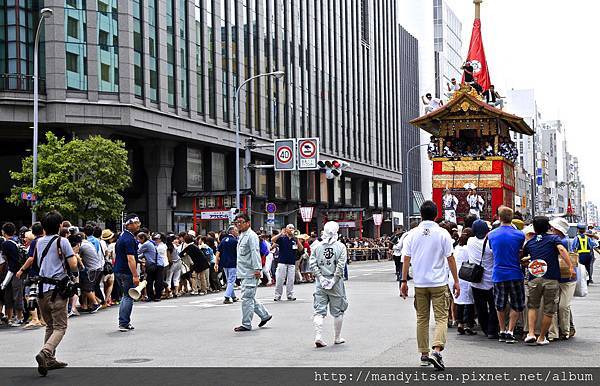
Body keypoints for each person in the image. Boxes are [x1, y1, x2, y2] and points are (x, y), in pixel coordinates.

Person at [400, 200, 460, 371]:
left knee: (422, 319)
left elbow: (406, 258)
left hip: (419, 283)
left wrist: (403, 281)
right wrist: (456, 281)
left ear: (421, 214)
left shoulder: (412, 234)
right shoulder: (442, 234)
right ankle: (437, 350)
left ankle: (424, 355)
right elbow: (450, 258)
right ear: (436, 215)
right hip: (439, 282)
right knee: (441, 317)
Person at [32, 210, 78, 376]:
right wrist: (75, 258)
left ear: (43, 227)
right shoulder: (62, 241)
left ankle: (49, 359)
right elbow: (73, 265)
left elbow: (37, 263)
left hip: (41, 290)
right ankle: (46, 352)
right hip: (57, 290)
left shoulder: (38, 242)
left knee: (50, 326)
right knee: (60, 327)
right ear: (60, 226)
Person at [523, 217, 575, 346]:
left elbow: (524, 257)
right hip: (551, 278)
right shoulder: (554, 239)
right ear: (548, 227)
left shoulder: (530, 242)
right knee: (549, 309)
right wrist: (570, 266)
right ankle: (541, 337)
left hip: (534, 278)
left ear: (534, 228)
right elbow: (562, 250)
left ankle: (530, 333)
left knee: (532, 306)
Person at [487, 206, 525, 344]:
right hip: (515, 272)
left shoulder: (491, 234)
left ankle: (502, 330)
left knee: (500, 304)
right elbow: (520, 250)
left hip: (498, 273)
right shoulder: (520, 235)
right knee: (516, 304)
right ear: (512, 218)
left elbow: (492, 249)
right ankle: (510, 331)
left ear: (499, 217)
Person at [309, 221, 349, 347]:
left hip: (320, 283)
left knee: (319, 310)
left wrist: (320, 277)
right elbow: (341, 265)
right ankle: (337, 337)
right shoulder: (340, 247)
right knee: (338, 310)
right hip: (335, 283)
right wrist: (334, 279)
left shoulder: (316, 246)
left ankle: (318, 336)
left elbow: (312, 264)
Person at [232, 213, 272, 332]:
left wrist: (257, 269)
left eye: (241, 222)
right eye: (237, 222)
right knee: (249, 297)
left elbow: (255, 253)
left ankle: (246, 323)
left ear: (248, 223)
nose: (238, 224)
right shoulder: (242, 235)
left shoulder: (251, 236)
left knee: (246, 298)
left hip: (250, 271)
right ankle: (264, 315)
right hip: (244, 271)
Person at [466, 220, 498, 339]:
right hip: (491, 280)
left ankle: (485, 328)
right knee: (494, 306)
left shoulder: (470, 241)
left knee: (481, 307)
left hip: (476, 280)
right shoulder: (491, 243)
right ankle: (492, 330)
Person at [548, 218, 578, 340]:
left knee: (560, 305)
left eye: (553, 228)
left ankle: (561, 331)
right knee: (563, 305)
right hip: (564, 277)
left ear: (557, 229)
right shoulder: (565, 240)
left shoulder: (562, 242)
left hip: (564, 276)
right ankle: (565, 330)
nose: (551, 229)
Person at [114, 213, 141, 332]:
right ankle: (124, 322)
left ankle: (124, 321)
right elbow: (131, 258)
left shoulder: (122, 237)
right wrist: (135, 275)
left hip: (119, 270)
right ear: (129, 225)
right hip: (126, 271)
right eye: (136, 223)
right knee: (128, 296)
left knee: (125, 296)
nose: (138, 225)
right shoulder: (129, 239)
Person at [1, 222, 25, 326]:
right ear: (14, 231)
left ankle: (18, 318)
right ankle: (15, 317)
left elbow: (7, 260)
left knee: (13, 295)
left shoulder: (6, 244)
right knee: (14, 294)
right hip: (17, 272)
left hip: (13, 272)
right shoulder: (16, 241)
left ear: (3, 232)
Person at [272, 224, 304, 301]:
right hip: (282, 261)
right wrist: (280, 233)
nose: (291, 229)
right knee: (280, 279)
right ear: (286, 229)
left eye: (292, 228)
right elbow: (273, 240)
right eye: (289, 228)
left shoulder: (294, 239)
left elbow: (301, 249)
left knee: (291, 279)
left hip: (292, 262)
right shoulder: (282, 238)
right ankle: (277, 295)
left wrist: (297, 240)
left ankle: (290, 295)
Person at [453, 228, 476, 335]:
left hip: (457, 276)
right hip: (468, 275)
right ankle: (468, 324)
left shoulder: (456, 248)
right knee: (469, 302)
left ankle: (460, 323)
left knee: (459, 301)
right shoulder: (470, 249)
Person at [215, 227, 238, 304]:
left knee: (229, 280)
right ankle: (227, 297)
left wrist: (216, 263)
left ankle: (233, 296)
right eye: (236, 230)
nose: (237, 231)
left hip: (224, 263)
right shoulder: (235, 241)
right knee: (231, 280)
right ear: (232, 231)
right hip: (233, 263)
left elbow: (218, 252)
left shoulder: (223, 240)